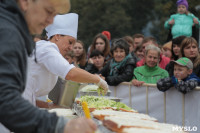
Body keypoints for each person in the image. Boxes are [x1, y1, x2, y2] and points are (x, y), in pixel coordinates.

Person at [0, 0, 98, 133]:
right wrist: (60, 125)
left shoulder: (13, 29)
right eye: (48, 11)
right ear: (25, 2)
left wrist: (48, 106)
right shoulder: (8, 32)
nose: (51, 21)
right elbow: (5, 100)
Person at [23, 13, 108, 108]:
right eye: (70, 42)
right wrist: (97, 79)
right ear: (57, 36)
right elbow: (71, 73)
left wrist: (50, 106)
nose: (71, 48)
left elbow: (29, 96)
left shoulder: (46, 48)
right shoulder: (47, 48)